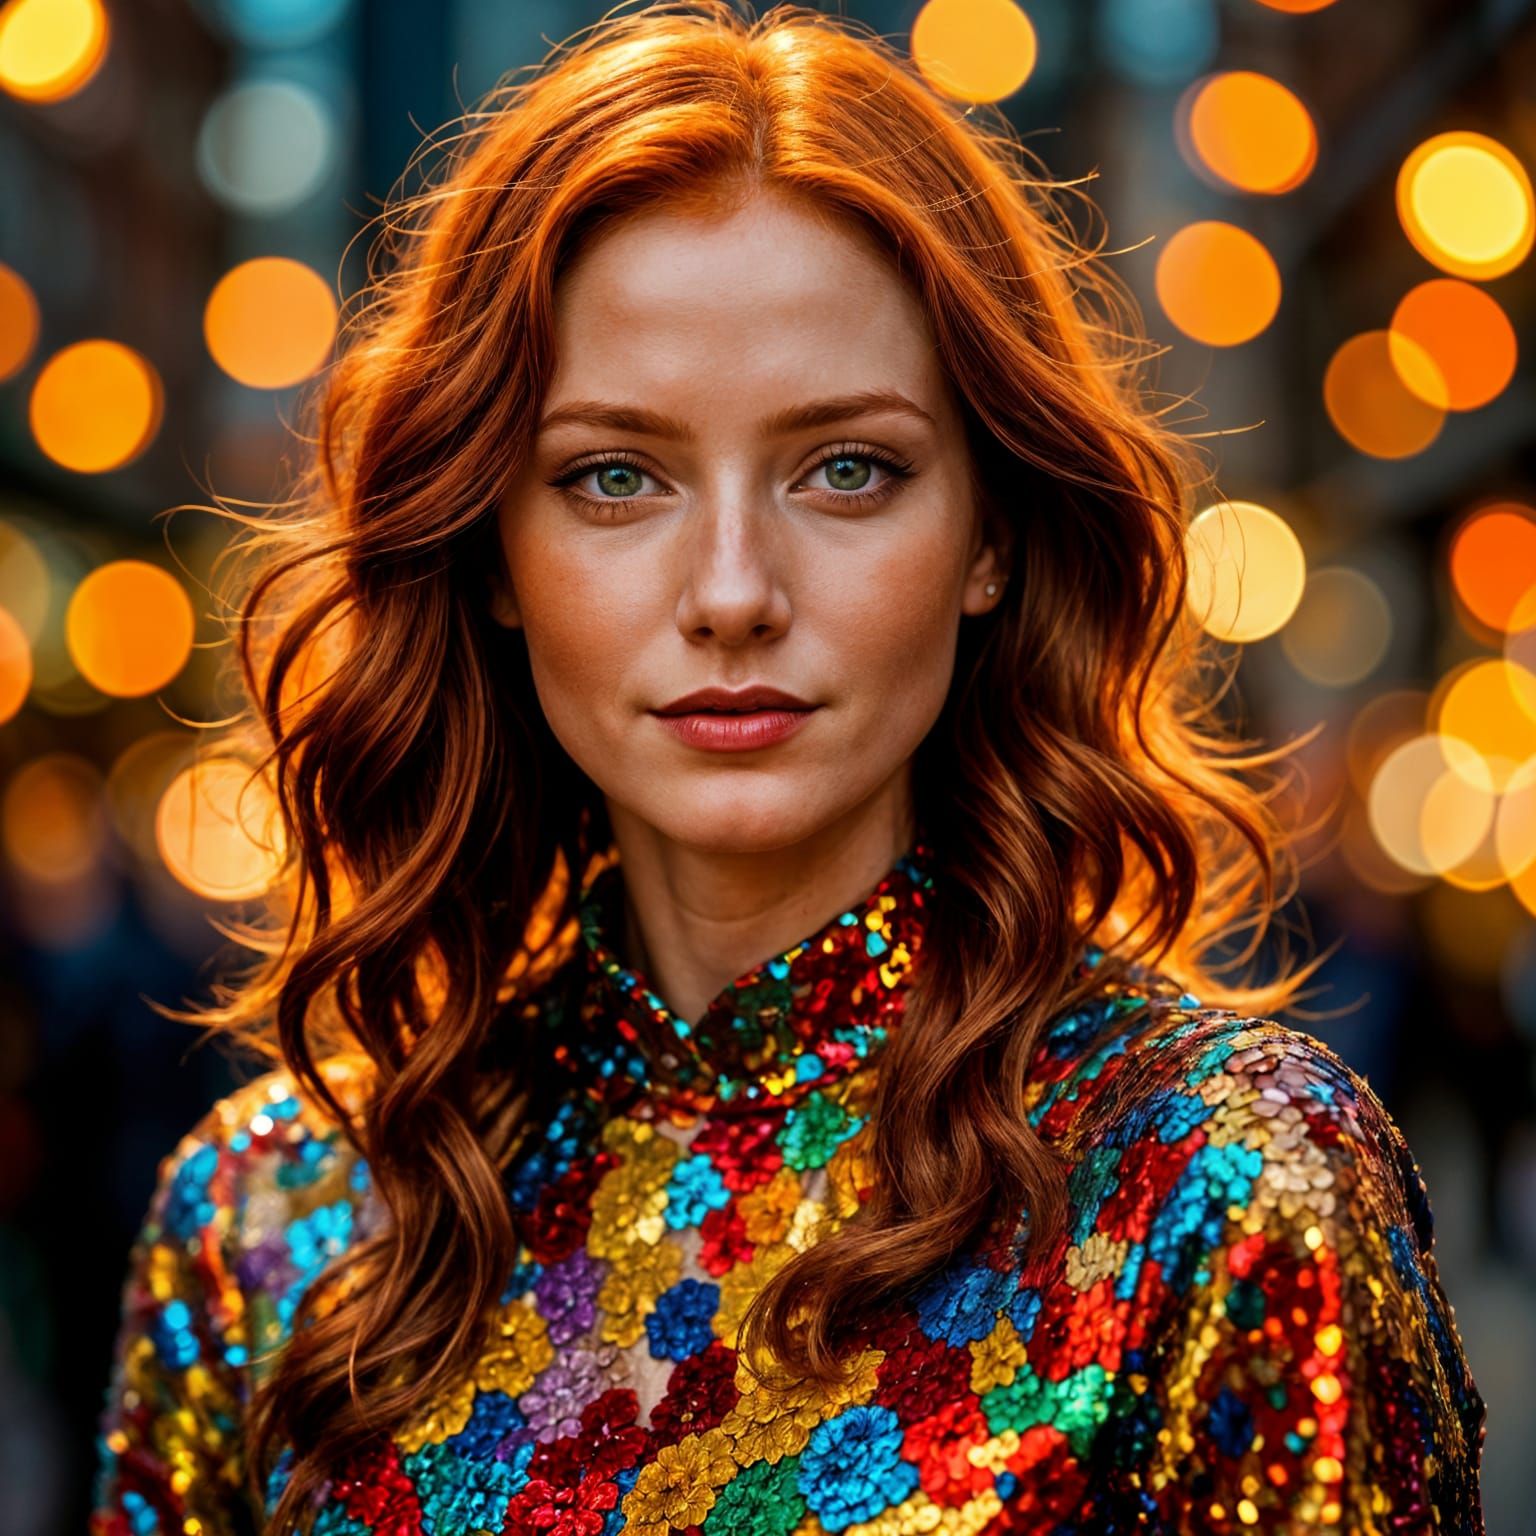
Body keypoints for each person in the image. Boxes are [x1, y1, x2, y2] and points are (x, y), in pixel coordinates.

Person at [89, 4, 1486, 1534]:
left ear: (992, 534)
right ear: (492, 551)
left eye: (848, 469)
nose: (734, 592)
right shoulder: (271, 1223)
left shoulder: (1221, 1185)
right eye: (615, 476)